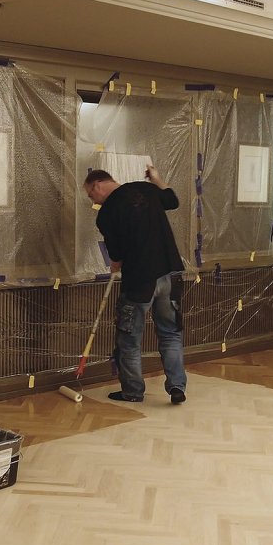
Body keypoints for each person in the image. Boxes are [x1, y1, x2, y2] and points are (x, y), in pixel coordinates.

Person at [83, 165, 187, 404]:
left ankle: (132, 392)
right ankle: (177, 387)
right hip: (170, 272)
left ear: (97, 185)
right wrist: (157, 178)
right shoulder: (146, 189)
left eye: (91, 195)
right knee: (170, 333)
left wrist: (115, 263)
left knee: (130, 339)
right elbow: (172, 200)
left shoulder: (106, 214)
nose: (93, 201)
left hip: (139, 279)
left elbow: (117, 255)